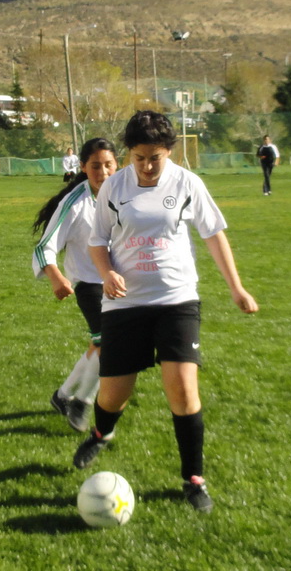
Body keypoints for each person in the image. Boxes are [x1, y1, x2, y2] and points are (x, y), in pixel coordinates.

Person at [74, 110, 258, 514]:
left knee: (183, 389)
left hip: (177, 300)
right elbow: (98, 241)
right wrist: (106, 274)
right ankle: (102, 433)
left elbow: (213, 235)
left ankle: (194, 479)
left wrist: (237, 288)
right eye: (138, 157)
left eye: (154, 157)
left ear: (169, 151)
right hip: (125, 303)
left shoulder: (187, 183)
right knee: (113, 395)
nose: (146, 166)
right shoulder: (114, 186)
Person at [33, 138, 119, 433]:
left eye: (108, 165)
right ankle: (83, 400)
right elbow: (44, 246)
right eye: (95, 166)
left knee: (100, 344)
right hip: (87, 283)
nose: (103, 172)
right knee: (108, 342)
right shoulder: (74, 203)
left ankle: (62, 395)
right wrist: (56, 277)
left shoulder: (124, 194)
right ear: (83, 167)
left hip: (118, 283)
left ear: (118, 164)